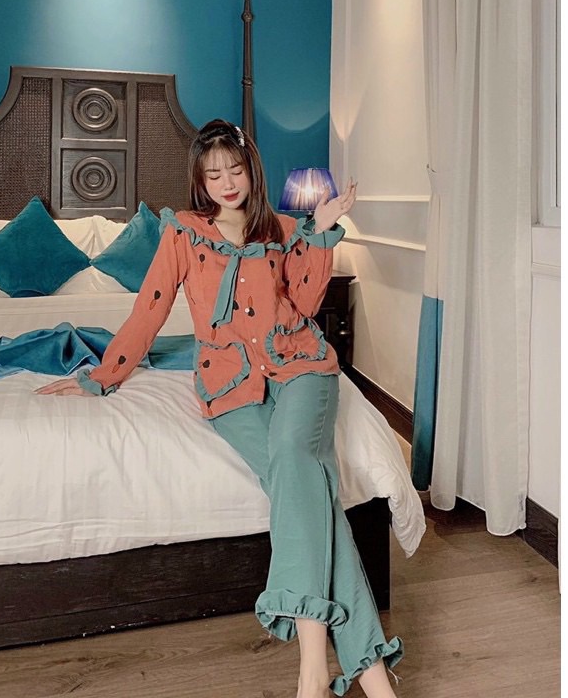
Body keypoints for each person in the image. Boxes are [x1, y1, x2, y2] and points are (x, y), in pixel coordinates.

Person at [36, 119, 403, 698]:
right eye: (213, 175)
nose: (227, 183)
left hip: (301, 366)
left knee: (293, 458)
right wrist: (103, 376)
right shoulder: (184, 233)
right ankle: (373, 677)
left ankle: (312, 670)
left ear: (251, 169)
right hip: (229, 384)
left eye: (235, 170)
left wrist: (323, 234)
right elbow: (151, 307)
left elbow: (306, 304)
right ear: (200, 180)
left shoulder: (283, 229)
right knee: (307, 485)